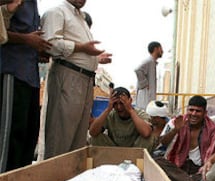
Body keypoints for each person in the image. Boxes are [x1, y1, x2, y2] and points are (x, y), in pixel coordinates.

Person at [40, 0, 112, 160]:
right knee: (61, 137)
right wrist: (81, 48)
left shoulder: (80, 18)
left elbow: (79, 52)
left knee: (77, 140)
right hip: (68, 77)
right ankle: (55, 180)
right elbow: (49, 44)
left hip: (84, 80)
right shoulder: (57, 12)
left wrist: (96, 58)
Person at [0, 0, 51, 172]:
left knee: (28, 138)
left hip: (31, 77)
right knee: (10, 140)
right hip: (13, 71)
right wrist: (26, 40)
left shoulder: (34, 6)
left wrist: (38, 49)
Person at [154, 95, 215, 181]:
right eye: (191, 110)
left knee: (212, 174)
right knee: (157, 161)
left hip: (199, 170)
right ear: (187, 110)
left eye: (198, 111)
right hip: (177, 167)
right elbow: (163, 143)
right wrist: (175, 130)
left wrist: (210, 163)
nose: (193, 114)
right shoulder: (175, 122)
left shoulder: (213, 129)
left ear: (205, 113)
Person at [89, 86, 154, 151]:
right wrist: (108, 109)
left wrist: (130, 110)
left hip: (134, 151)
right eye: (115, 104)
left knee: (149, 138)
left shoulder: (140, 114)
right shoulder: (111, 114)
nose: (119, 107)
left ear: (130, 101)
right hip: (114, 151)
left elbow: (146, 133)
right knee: (96, 137)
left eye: (122, 103)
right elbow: (92, 133)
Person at [134, 41, 163, 109]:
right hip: (145, 98)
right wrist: (144, 84)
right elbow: (137, 70)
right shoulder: (149, 61)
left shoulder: (152, 62)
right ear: (156, 49)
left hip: (148, 99)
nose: (162, 51)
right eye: (160, 48)